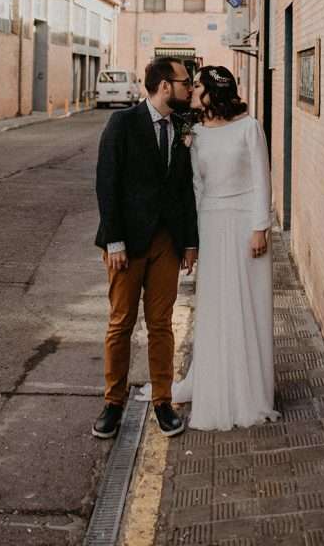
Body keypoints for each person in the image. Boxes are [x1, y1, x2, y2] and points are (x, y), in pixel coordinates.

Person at [92, 57, 199, 439]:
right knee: (120, 323)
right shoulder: (122, 123)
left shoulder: (184, 124)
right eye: (186, 82)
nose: (191, 88)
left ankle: (163, 402)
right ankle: (113, 403)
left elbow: (185, 187)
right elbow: (107, 183)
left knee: (161, 325)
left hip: (166, 243)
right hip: (127, 245)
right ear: (165, 85)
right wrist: (115, 240)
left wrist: (189, 241)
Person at [173, 65, 278, 430]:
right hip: (211, 222)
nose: (192, 90)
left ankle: (251, 391)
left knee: (247, 303)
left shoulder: (249, 128)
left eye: (197, 85)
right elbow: (196, 186)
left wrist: (259, 226)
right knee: (215, 305)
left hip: (245, 225)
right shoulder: (195, 133)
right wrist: (195, 236)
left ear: (214, 92)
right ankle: (216, 384)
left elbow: (261, 178)